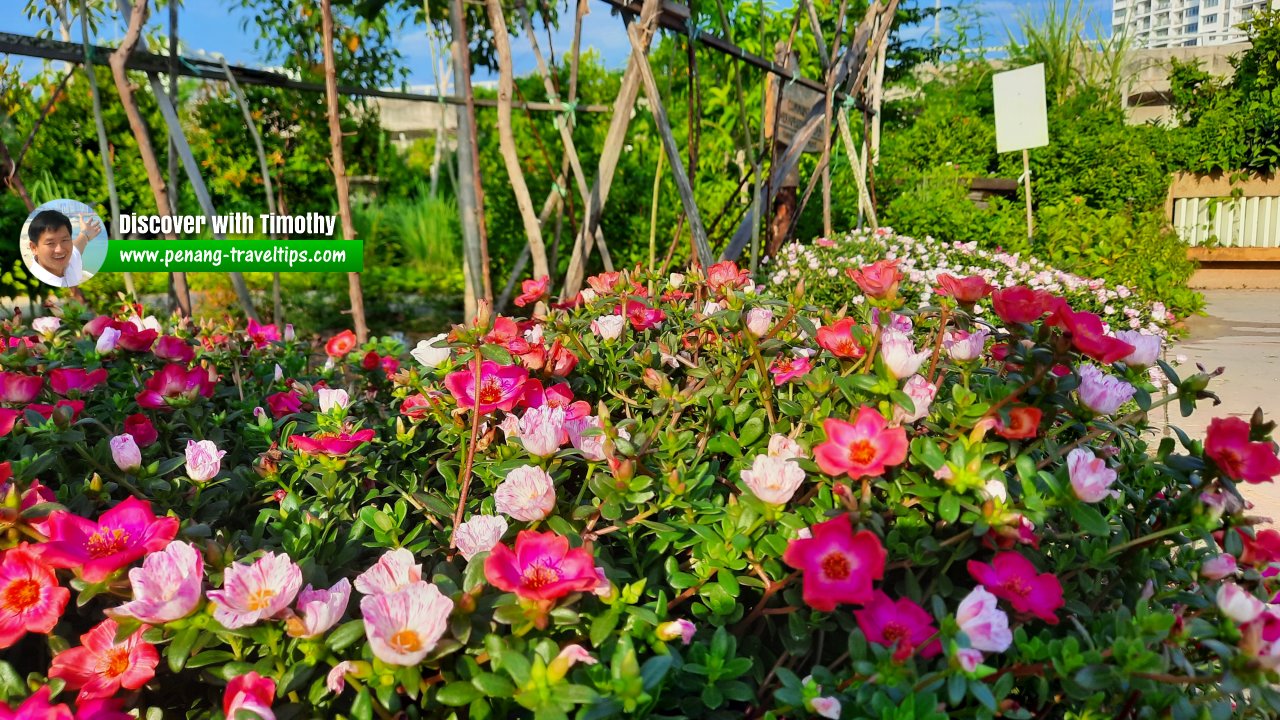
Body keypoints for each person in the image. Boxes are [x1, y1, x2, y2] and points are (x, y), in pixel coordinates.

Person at [25, 209, 102, 287]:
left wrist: (85, 234)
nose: (60, 250)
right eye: (50, 243)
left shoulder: (70, 261)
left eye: (64, 240)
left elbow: (77, 246)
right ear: (34, 248)